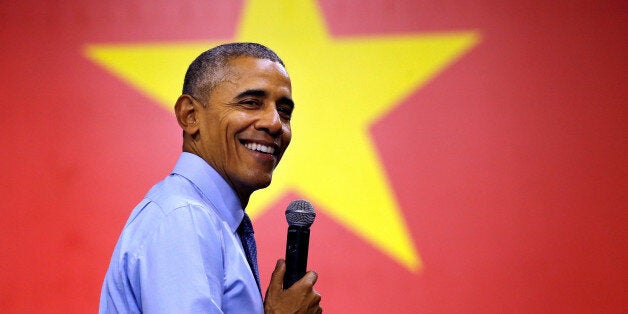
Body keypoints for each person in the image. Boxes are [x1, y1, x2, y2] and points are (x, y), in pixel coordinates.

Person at [99, 42, 322, 313]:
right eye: (251, 103)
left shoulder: (208, 219)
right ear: (190, 115)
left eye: (284, 111)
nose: (275, 123)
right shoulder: (185, 218)